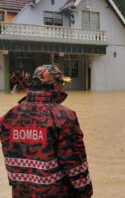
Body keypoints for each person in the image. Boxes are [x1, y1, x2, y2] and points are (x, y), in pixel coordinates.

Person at [0, 64, 93, 198]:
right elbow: (74, 162)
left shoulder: (10, 115)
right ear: (55, 86)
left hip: (20, 193)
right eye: (62, 83)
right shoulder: (64, 116)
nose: (63, 87)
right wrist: (85, 192)